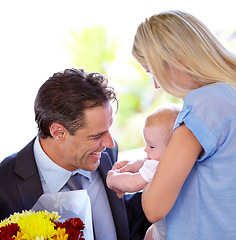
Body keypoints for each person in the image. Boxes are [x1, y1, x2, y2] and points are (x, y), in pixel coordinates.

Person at [113, 10, 236, 239]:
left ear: (173, 61)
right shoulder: (228, 94)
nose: (157, 85)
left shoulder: (204, 103)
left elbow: (153, 207)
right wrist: (146, 164)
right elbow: (212, 173)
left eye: (153, 73)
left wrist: (148, 174)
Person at [0, 68, 150, 240]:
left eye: (109, 129)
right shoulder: (4, 185)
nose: (109, 143)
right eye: (96, 135)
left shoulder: (107, 153)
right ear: (58, 132)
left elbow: (123, 217)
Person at [107, 104, 180, 240]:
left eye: (151, 146)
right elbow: (151, 157)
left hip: (166, 231)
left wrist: (113, 178)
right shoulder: (183, 159)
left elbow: (132, 183)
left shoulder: (157, 165)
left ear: (171, 147)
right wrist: (140, 162)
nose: (146, 150)